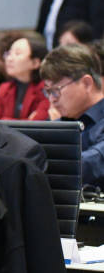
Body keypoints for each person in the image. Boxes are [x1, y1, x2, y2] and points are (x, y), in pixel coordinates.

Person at [41, 43, 104, 188]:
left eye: (56, 90)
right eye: (48, 92)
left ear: (87, 83)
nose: (52, 99)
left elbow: (89, 164)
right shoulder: (58, 123)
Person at [0, 35, 50, 120]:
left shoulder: (46, 89)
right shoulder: (5, 89)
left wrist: (5, 120)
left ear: (35, 63)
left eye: (17, 53)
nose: (9, 58)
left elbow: (36, 126)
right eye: (8, 53)